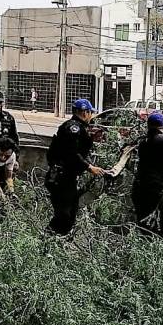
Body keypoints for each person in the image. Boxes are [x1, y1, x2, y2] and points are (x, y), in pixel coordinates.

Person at [45, 99, 108, 235]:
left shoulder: (78, 128)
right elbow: (71, 153)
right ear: (85, 112)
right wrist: (89, 167)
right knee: (64, 215)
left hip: (68, 178)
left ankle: (59, 242)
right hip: (61, 178)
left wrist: (91, 139)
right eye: (90, 112)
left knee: (71, 214)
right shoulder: (73, 128)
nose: (91, 116)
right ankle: (47, 241)